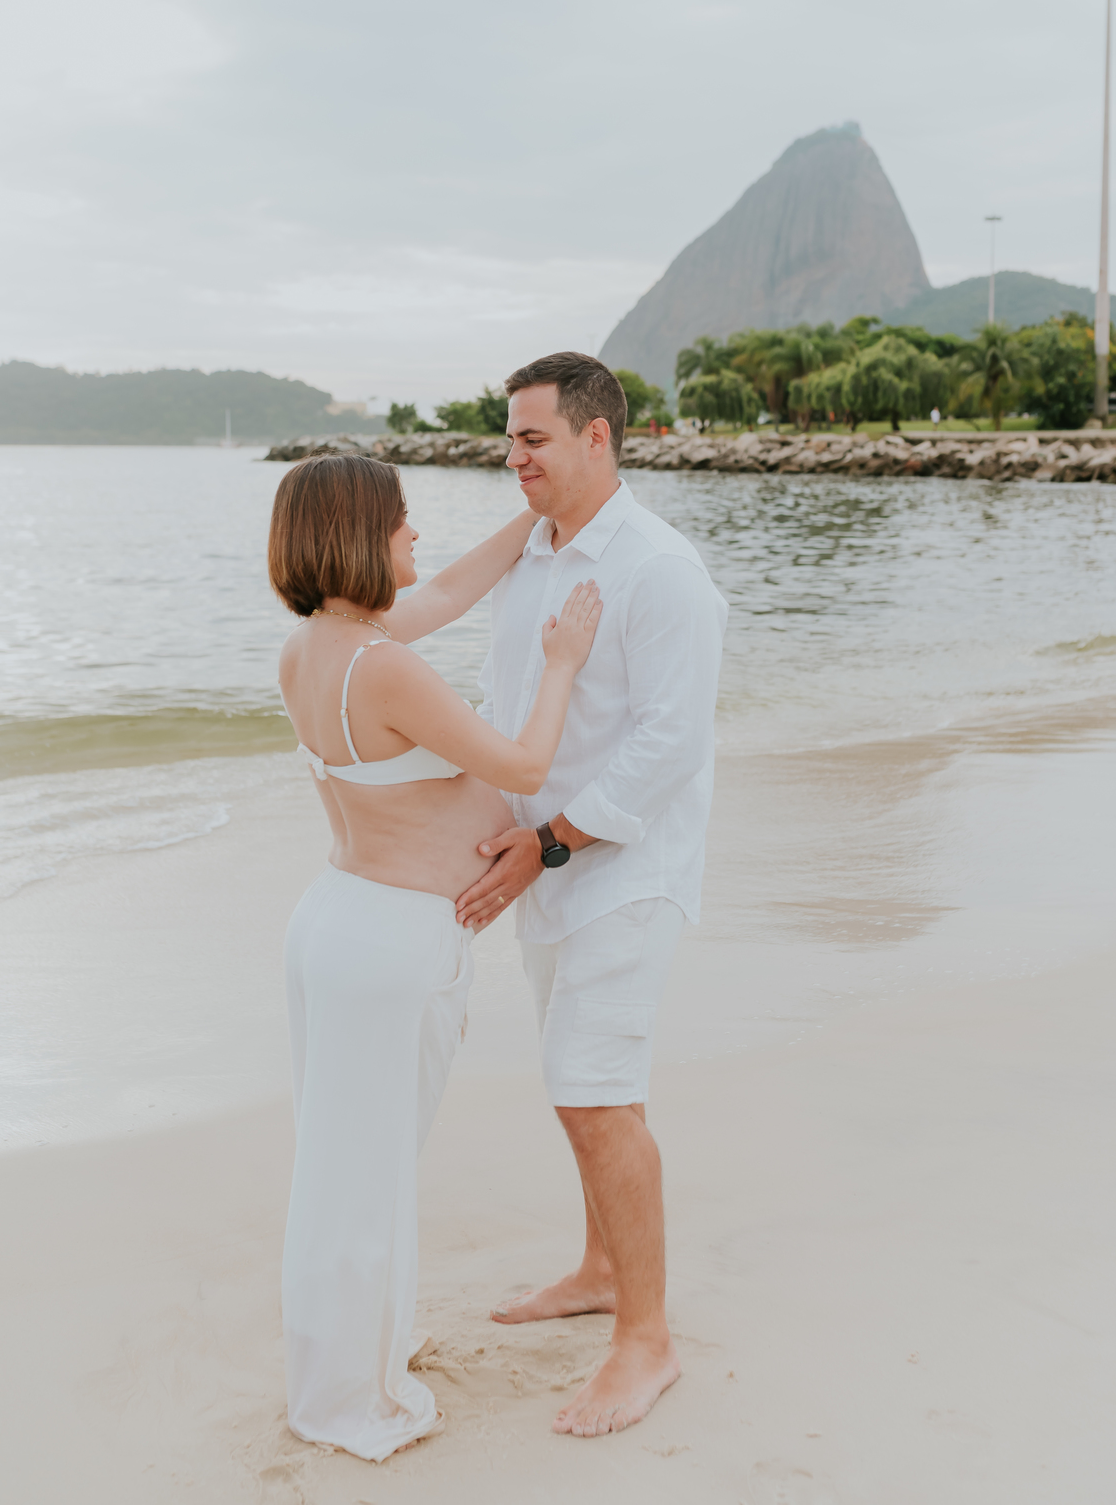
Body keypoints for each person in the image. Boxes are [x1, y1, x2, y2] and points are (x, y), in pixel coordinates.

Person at [269, 452, 602, 1461]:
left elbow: (454, 587)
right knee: (362, 1173)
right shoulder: (386, 666)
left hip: (338, 921)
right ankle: (341, 1396)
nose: (417, 535)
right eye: (402, 520)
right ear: (356, 536)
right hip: (388, 945)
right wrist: (561, 662)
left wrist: (532, 520)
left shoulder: (323, 647)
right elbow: (526, 764)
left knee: (346, 1164)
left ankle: (350, 1355)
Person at [454, 352, 727, 1439]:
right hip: (548, 867)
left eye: (532, 438)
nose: (511, 455)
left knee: (591, 1091)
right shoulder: (533, 557)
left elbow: (671, 743)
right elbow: (508, 704)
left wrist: (551, 844)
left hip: (623, 870)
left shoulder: (661, 568)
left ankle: (646, 1342)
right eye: (510, 437)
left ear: (596, 438)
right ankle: (602, 1269)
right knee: (592, 1080)